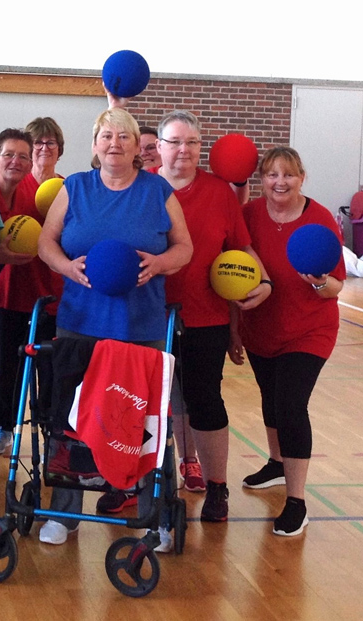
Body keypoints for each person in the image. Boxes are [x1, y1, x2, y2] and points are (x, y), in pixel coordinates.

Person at [36, 107, 192, 548]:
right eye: (106, 136)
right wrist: (66, 267)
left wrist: (159, 263)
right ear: (94, 144)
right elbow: (46, 242)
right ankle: (64, 515)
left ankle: (156, 516)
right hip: (80, 323)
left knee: (146, 425)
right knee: (72, 421)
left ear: (137, 146)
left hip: (141, 326)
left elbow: (185, 247)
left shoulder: (157, 190)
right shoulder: (74, 187)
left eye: (123, 137)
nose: (115, 144)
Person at [153, 110, 271, 522]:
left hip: (205, 319)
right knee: (145, 404)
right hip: (146, 316)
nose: (183, 150)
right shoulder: (141, 186)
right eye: (174, 142)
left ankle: (217, 487)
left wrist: (265, 281)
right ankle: (135, 485)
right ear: (159, 147)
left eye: (191, 142)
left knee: (205, 402)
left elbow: (241, 248)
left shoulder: (219, 192)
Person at [232, 147, 345, 536]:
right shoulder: (249, 215)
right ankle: (277, 463)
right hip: (261, 327)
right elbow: (235, 273)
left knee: (291, 405)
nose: (280, 182)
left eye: (288, 175)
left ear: (302, 177)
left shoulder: (320, 219)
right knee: (270, 397)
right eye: (271, 175)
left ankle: (296, 501)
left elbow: (335, 286)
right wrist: (235, 331)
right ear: (262, 179)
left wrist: (317, 281)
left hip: (310, 329)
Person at [0, 125, 63, 455]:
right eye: (38, 142)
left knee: (52, 370)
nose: (44, 148)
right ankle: (3, 426)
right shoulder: (7, 186)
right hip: (9, 293)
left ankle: (52, 433)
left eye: (50, 142)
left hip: (51, 296)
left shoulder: (64, 190)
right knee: (6, 368)